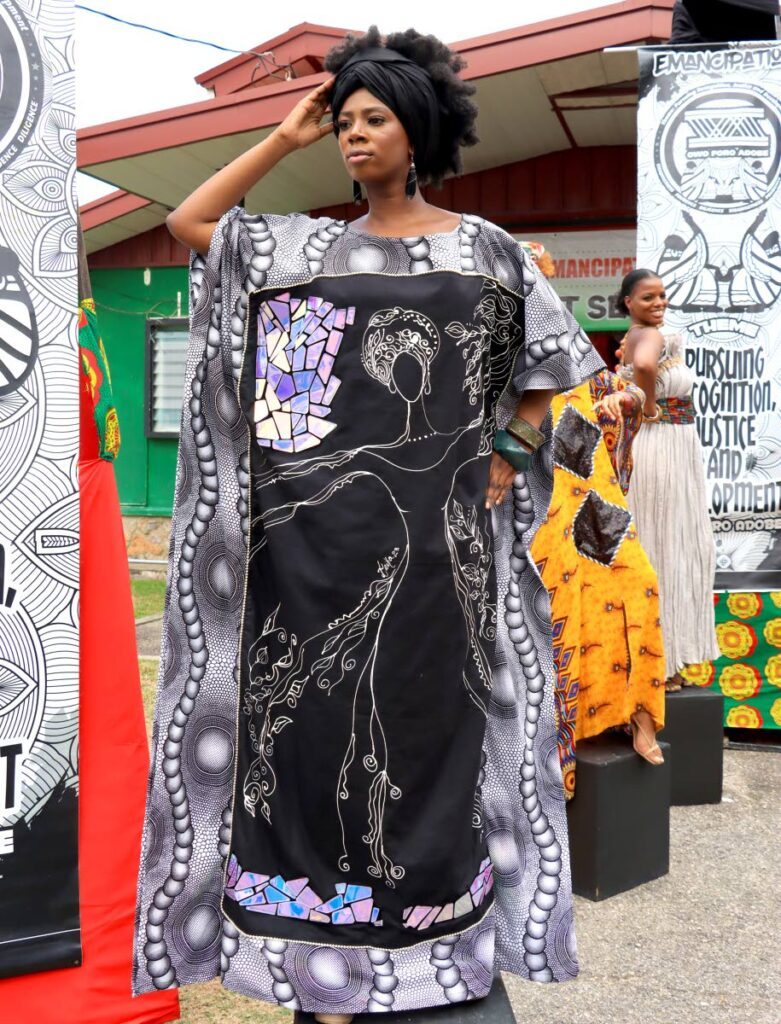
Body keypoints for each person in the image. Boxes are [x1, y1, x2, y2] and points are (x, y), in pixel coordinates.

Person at [133, 28, 604, 1019]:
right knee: (307, 739)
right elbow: (192, 223)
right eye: (342, 121)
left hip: (441, 568)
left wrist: (502, 459)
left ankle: (437, 941)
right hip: (304, 563)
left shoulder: (488, 250)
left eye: (371, 119)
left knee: (431, 736)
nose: (352, 137)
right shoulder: (302, 244)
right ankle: (323, 964)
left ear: (417, 129)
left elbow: (557, 381)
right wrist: (282, 134)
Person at [521, 244, 665, 799]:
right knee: (562, 598)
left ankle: (639, 712)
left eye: (548, 281)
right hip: (543, 498)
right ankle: (565, 734)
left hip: (595, 500)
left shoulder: (574, 350)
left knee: (639, 581)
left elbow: (623, 395)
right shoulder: (503, 351)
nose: (545, 291)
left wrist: (621, 401)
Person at [616, 269, 719, 690]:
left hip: (666, 448)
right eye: (647, 297)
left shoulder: (641, 334)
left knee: (665, 546)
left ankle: (661, 661)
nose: (658, 303)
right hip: (661, 447)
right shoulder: (648, 336)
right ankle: (663, 662)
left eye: (662, 295)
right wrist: (651, 408)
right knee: (667, 547)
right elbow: (642, 365)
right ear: (628, 303)